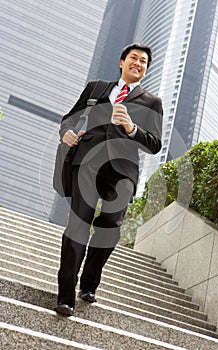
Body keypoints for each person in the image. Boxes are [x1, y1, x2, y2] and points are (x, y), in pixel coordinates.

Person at [54, 43, 163, 316]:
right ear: (122, 62)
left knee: (109, 228)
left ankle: (89, 283)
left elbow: (154, 144)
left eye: (144, 62)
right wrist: (66, 132)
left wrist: (131, 128)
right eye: (134, 59)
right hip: (87, 163)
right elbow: (69, 119)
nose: (138, 64)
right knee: (78, 224)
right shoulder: (96, 88)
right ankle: (65, 295)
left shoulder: (152, 102)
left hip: (123, 171)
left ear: (146, 70)